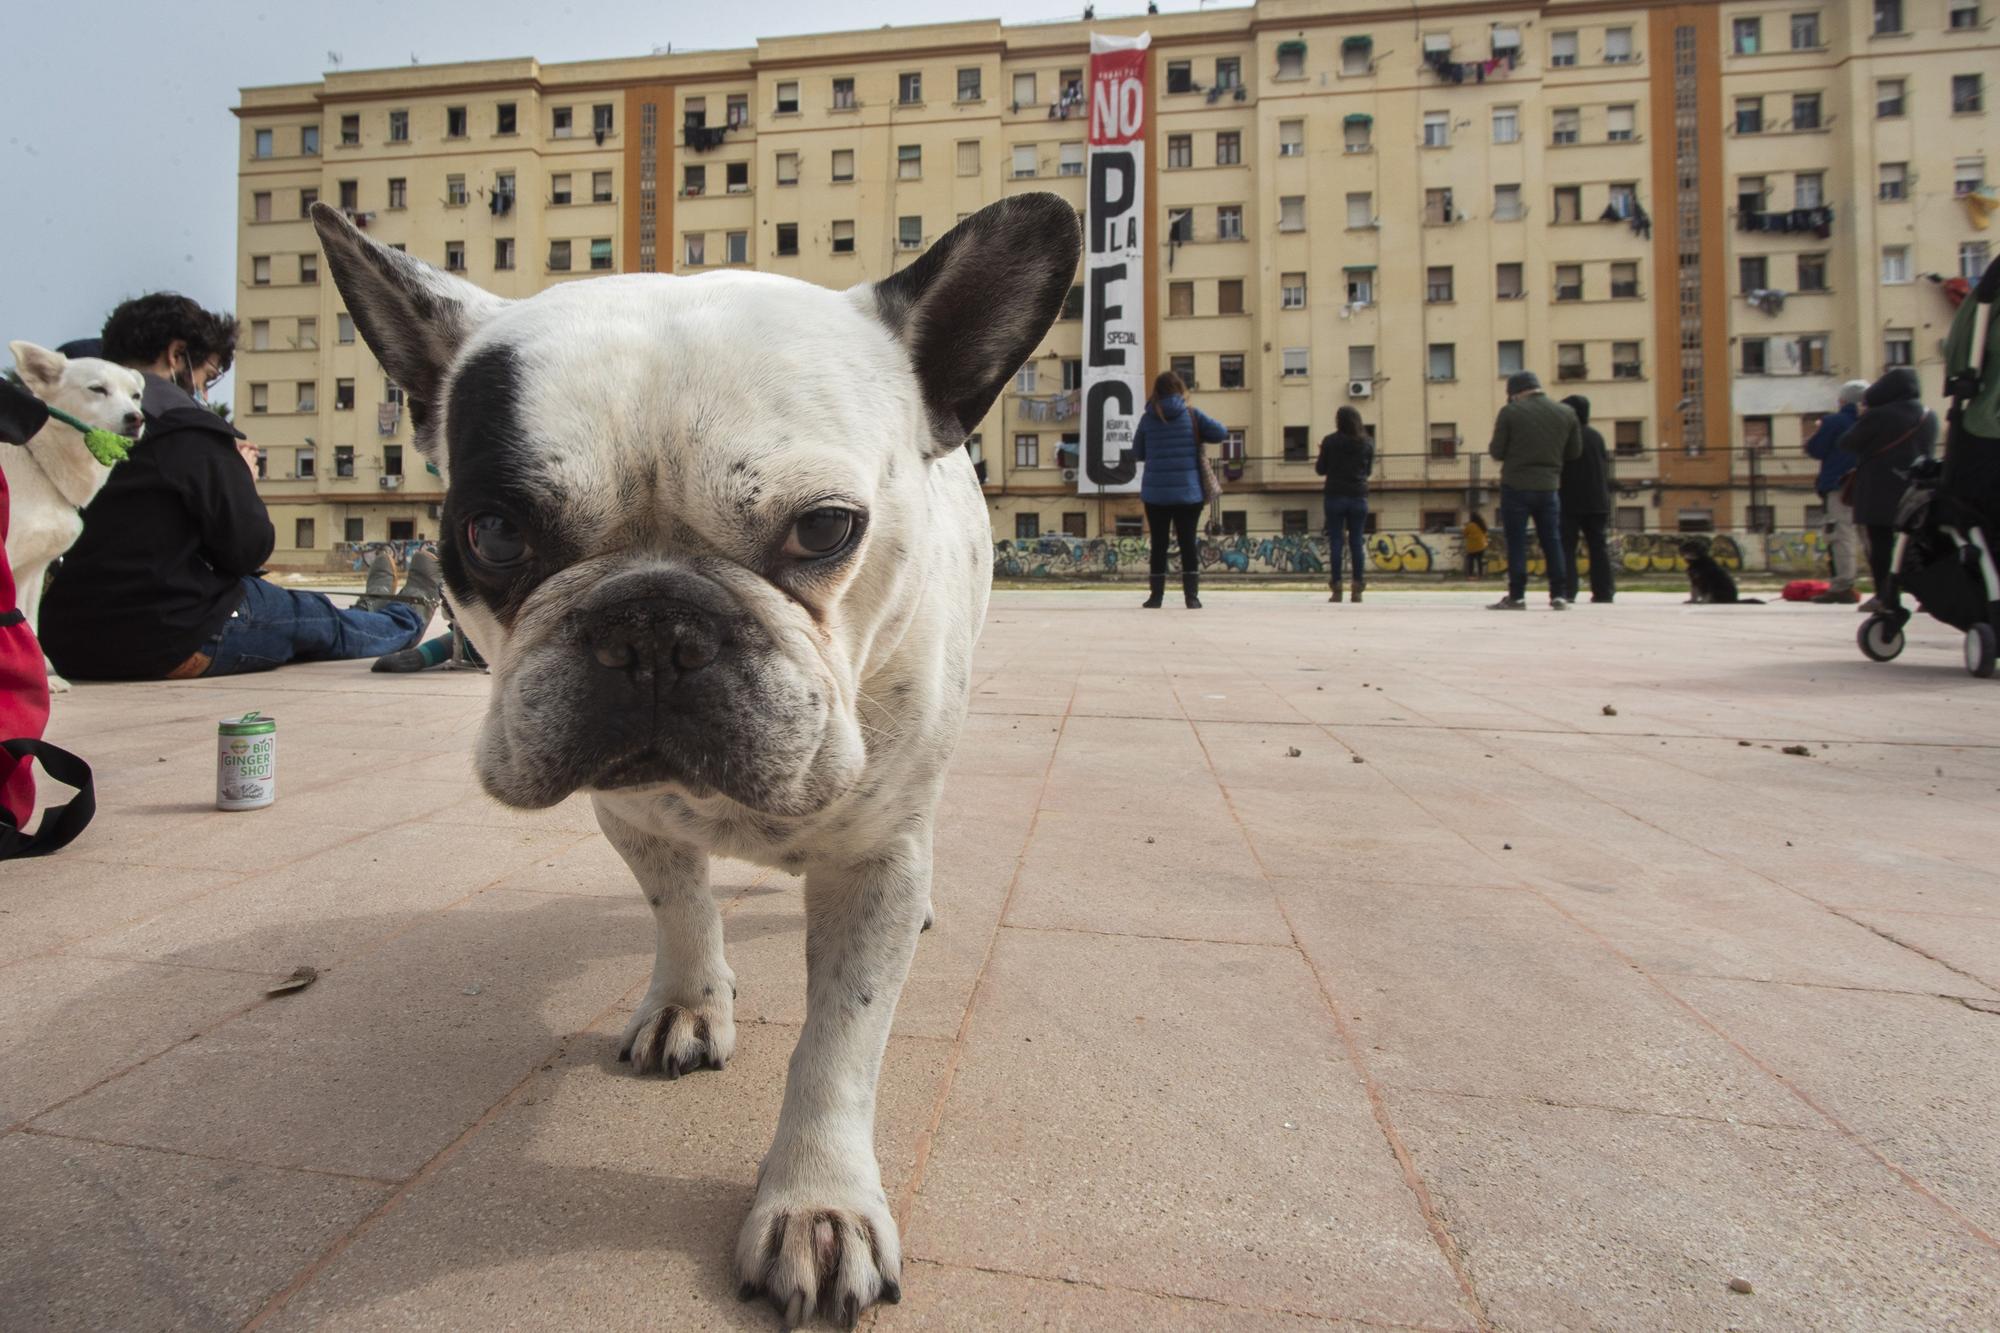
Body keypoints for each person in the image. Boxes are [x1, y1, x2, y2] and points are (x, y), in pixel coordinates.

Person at [38, 293, 440, 680]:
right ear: (176, 355)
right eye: (206, 377)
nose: (205, 392)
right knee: (316, 617)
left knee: (310, 612)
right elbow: (247, 550)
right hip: (172, 638)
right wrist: (241, 477)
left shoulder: (60, 423)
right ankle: (406, 615)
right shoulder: (186, 427)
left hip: (72, 643)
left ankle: (371, 608)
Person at [1838, 366, 1937, 615]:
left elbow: (1847, 443)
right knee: (1919, 545)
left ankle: (1886, 596)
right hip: (1917, 490)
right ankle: (1930, 596)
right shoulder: (1928, 414)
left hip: (1879, 489)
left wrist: (1865, 416)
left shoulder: (1880, 415)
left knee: (1881, 545)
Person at [1131, 370, 1225, 609]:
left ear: (1156, 392)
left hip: (1156, 494)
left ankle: (1156, 597)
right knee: (1188, 543)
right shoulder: (1192, 415)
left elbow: (1138, 453)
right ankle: (1191, 597)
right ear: (1180, 389)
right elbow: (1221, 433)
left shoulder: (1147, 418)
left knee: (1159, 544)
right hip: (1188, 493)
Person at [1486, 371, 1580, 610]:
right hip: (1549, 486)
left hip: (1515, 485)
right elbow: (1573, 453)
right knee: (1552, 539)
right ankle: (1559, 594)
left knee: (1516, 541)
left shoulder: (1511, 412)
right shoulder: (1566, 413)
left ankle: (1517, 595)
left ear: (1515, 393)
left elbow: (1497, 451)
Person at [1804, 380, 1867, 603]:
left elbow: (1815, 449)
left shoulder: (1836, 421)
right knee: (1872, 536)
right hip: (1871, 485)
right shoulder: (1877, 421)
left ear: (1842, 400)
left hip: (1840, 486)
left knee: (1842, 536)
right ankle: (1887, 583)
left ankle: (1843, 585)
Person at [1557, 394, 1615, 604]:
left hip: (1570, 501)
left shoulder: (1566, 437)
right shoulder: (1596, 436)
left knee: (1566, 547)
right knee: (1598, 547)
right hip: (1597, 500)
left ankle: (1567, 590)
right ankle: (1604, 591)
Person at [1314, 406, 1374, 603]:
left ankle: (1337, 588)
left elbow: (1320, 470)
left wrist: (1323, 453)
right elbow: (1368, 472)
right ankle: (1357, 588)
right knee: (1356, 542)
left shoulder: (1330, 441)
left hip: (1334, 496)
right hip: (1358, 496)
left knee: (1336, 543)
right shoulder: (1367, 443)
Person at [1462, 511, 1489, 578]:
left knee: (1471, 560)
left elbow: (1464, 533)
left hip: (1472, 547)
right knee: (1479, 560)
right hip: (1482, 545)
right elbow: (1485, 532)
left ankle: (1470, 575)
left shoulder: (1470, 525)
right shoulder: (1482, 524)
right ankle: (1480, 574)